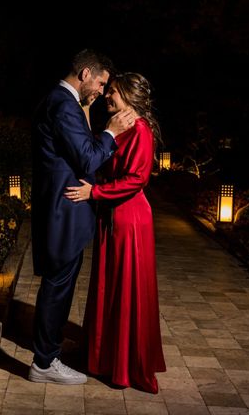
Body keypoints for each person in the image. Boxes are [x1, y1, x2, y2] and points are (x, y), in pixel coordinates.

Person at [29, 49, 136, 384]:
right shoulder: (63, 104)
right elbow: (89, 160)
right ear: (86, 73)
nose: (103, 92)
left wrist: (90, 116)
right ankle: (44, 364)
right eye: (102, 83)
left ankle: (50, 352)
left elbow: (78, 148)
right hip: (64, 211)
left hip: (63, 210)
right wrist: (112, 133)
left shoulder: (65, 103)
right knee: (57, 286)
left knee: (60, 285)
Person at [64, 72, 166, 393]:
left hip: (130, 218)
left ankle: (124, 364)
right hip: (113, 215)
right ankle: (105, 356)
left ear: (131, 97)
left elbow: (137, 179)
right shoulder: (120, 127)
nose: (107, 96)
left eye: (114, 93)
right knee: (110, 286)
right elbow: (98, 154)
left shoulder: (141, 130)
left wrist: (94, 193)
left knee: (126, 288)